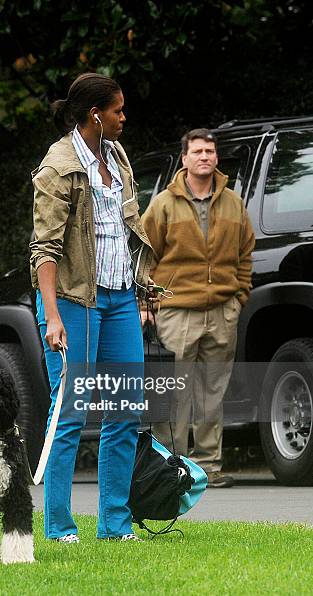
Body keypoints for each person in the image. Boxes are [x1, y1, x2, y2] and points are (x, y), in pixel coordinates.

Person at [30, 73, 154, 542]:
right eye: (118, 111)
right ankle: (60, 526)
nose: (125, 118)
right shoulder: (57, 167)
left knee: (125, 410)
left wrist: (143, 290)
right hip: (74, 301)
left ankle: (114, 525)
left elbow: (125, 230)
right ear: (95, 115)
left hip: (121, 297)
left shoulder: (116, 155)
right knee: (70, 413)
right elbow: (44, 248)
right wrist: (53, 315)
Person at [141, 128, 255, 488]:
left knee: (212, 391)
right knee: (173, 392)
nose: (204, 156)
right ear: (185, 159)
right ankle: (169, 467)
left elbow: (245, 252)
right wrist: (148, 303)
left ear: (217, 158)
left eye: (210, 151)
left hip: (222, 310)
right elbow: (144, 255)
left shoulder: (234, 203)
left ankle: (209, 466)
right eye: (197, 151)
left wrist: (239, 296)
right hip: (176, 311)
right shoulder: (163, 204)